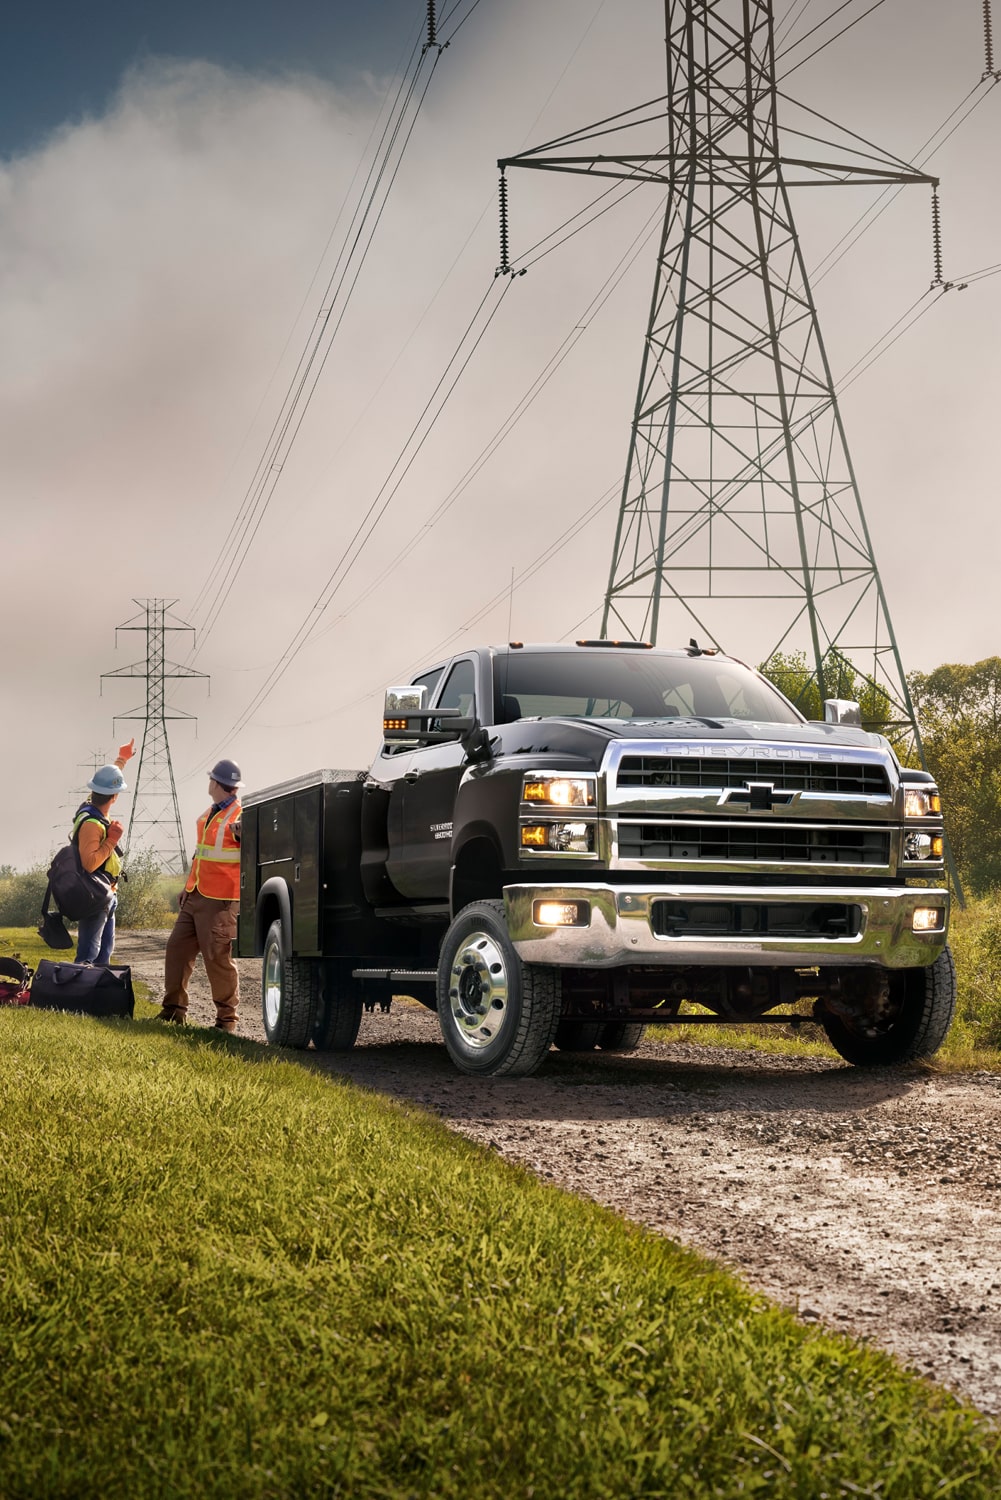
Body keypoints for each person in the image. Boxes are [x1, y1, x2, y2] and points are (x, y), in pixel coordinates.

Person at [155, 758, 243, 1032]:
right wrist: (187, 886)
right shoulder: (209, 815)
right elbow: (200, 855)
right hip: (194, 895)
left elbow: (250, 847)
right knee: (176, 950)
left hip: (221, 901)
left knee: (217, 958)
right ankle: (173, 1012)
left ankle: (226, 1022)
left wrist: (244, 834)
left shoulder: (241, 816)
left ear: (215, 783)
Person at [73, 740, 136, 966]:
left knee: (103, 954)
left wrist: (122, 760)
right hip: (95, 894)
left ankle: (96, 997)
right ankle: (75, 996)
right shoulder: (92, 823)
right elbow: (90, 863)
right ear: (115, 796)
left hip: (106, 892)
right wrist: (111, 840)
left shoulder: (90, 807)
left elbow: (106, 782)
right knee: (89, 954)